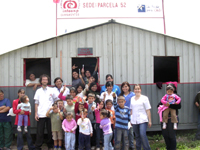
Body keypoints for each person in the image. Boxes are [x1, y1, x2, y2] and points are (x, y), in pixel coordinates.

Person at [157, 83, 181, 150]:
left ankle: (173, 148)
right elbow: (158, 104)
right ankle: (168, 148)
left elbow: (179, 106)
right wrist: (164, 104)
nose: (169, 90)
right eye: (167, 89)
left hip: (172, 118)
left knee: (171, 135)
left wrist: (169, 105)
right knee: (165, 135)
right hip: (164, 119)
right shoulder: (166, 96)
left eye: (170, 88)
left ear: (173, 89)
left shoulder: (176, 96)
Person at [34, 74, 54, 150]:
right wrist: (36, 113)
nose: (45, 81)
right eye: (43, 79)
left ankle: (50, 145)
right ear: (41, 81)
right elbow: (36, 103)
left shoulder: (52, 90)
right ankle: (38, 146)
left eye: (46, 79)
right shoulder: (38, 91)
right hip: (41, 114)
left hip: (50, 114)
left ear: (48, 81)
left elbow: (55, 100)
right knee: (40, 131)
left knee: (50, 130)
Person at [130, 84, 151, 150]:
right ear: (134, 90)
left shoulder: (145, 98)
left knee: (142, 134)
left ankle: (147, 148)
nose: (137, 90)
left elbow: (148, 110)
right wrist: (130, 120)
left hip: (143, 120)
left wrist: (150, 120)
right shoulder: (132, 98)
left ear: (140, 90)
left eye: (138, 89)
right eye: (136, 89)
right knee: (137, 136)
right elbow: (131, 110)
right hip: (134, 120)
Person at [120, 82, 135, 150]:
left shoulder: (133, 95)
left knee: (130, 132)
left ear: (129, 87)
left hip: (130, 115)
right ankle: (124, 145)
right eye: (123, 87)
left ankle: (131, 145)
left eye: (126, 86)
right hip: (122, 115)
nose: (125, 88)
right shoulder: (120, 95)